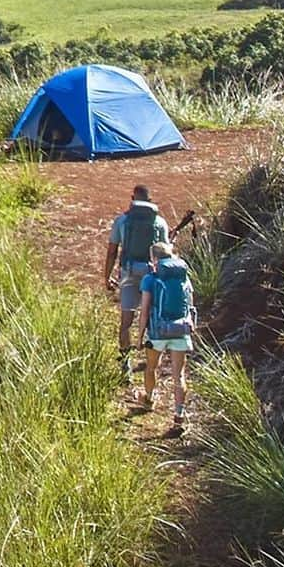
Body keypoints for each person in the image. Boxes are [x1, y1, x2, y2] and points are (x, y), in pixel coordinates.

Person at [105, 185, 169, 370]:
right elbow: (164, 255)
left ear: (132, 198)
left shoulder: (122, 221)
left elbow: (112, 252)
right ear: (150, 201)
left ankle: (125, 364)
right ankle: (151, 363)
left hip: (129, 273)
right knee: (152, 318)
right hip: (151, 274)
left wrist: (107, 277)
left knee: (126, 320)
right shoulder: (160, 223)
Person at [135, 241, 194, 435]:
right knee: (179, 375)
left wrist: (139, 336)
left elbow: (144, 311)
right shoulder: (183, 277)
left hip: (158, 331)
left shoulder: (150, 279)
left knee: (151, 367)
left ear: (154, 259)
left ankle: (149, 398)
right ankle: (179, 416)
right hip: (181, 330)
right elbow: (190, 307)